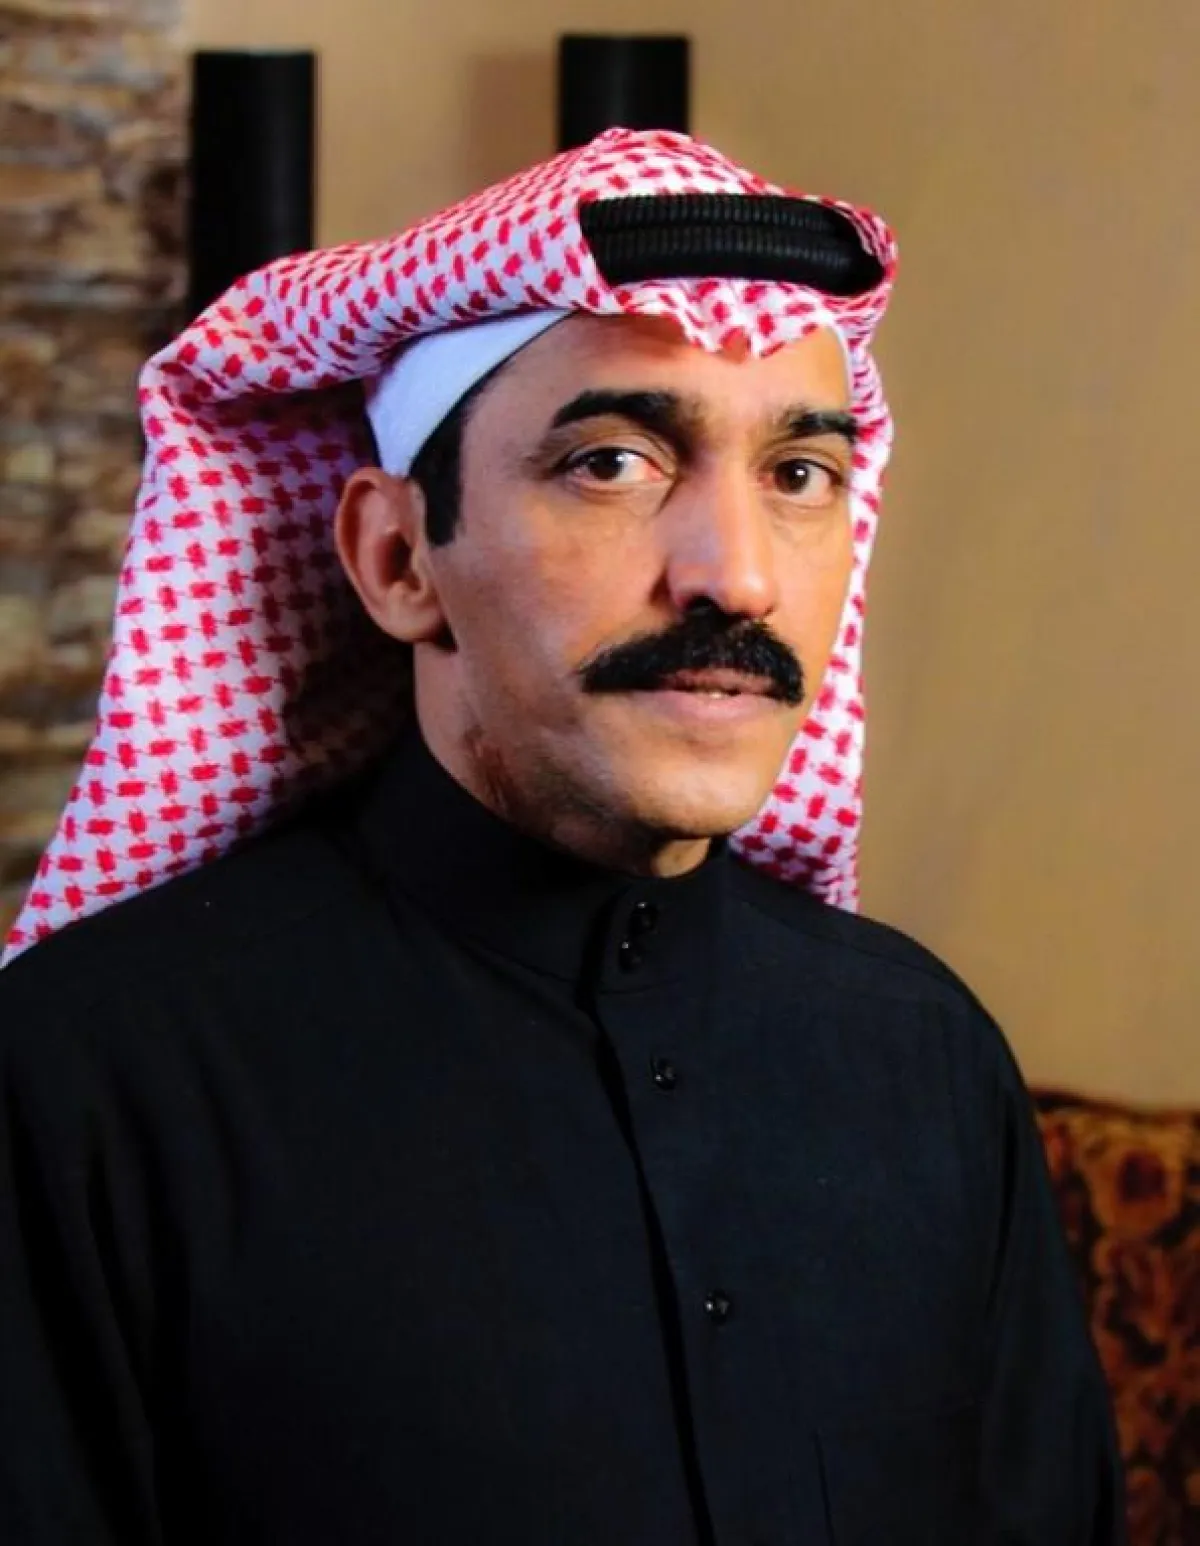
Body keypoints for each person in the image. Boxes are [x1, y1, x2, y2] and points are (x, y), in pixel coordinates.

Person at [0, 129, 1124, 1545]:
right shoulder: (92, 1080)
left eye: (799, 474)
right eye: (613, 462)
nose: (736, 574)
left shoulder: (926, 1056)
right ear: (398, 560)